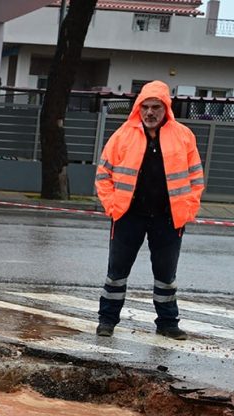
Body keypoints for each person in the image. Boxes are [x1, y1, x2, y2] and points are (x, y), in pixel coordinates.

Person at [94, 80, 205, 340]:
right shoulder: (122, 135)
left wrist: (187, 210)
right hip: (128, 216)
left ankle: (167, 323)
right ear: (138, 108)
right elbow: (103, 175)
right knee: (116, 274)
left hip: (168, 218)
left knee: (166, 276)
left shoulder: (184, 136)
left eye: (156, 106)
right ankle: (107, 321)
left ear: (166, 108)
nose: (150, 112)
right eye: (145, 107)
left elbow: (196, 178)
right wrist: (113, 207)